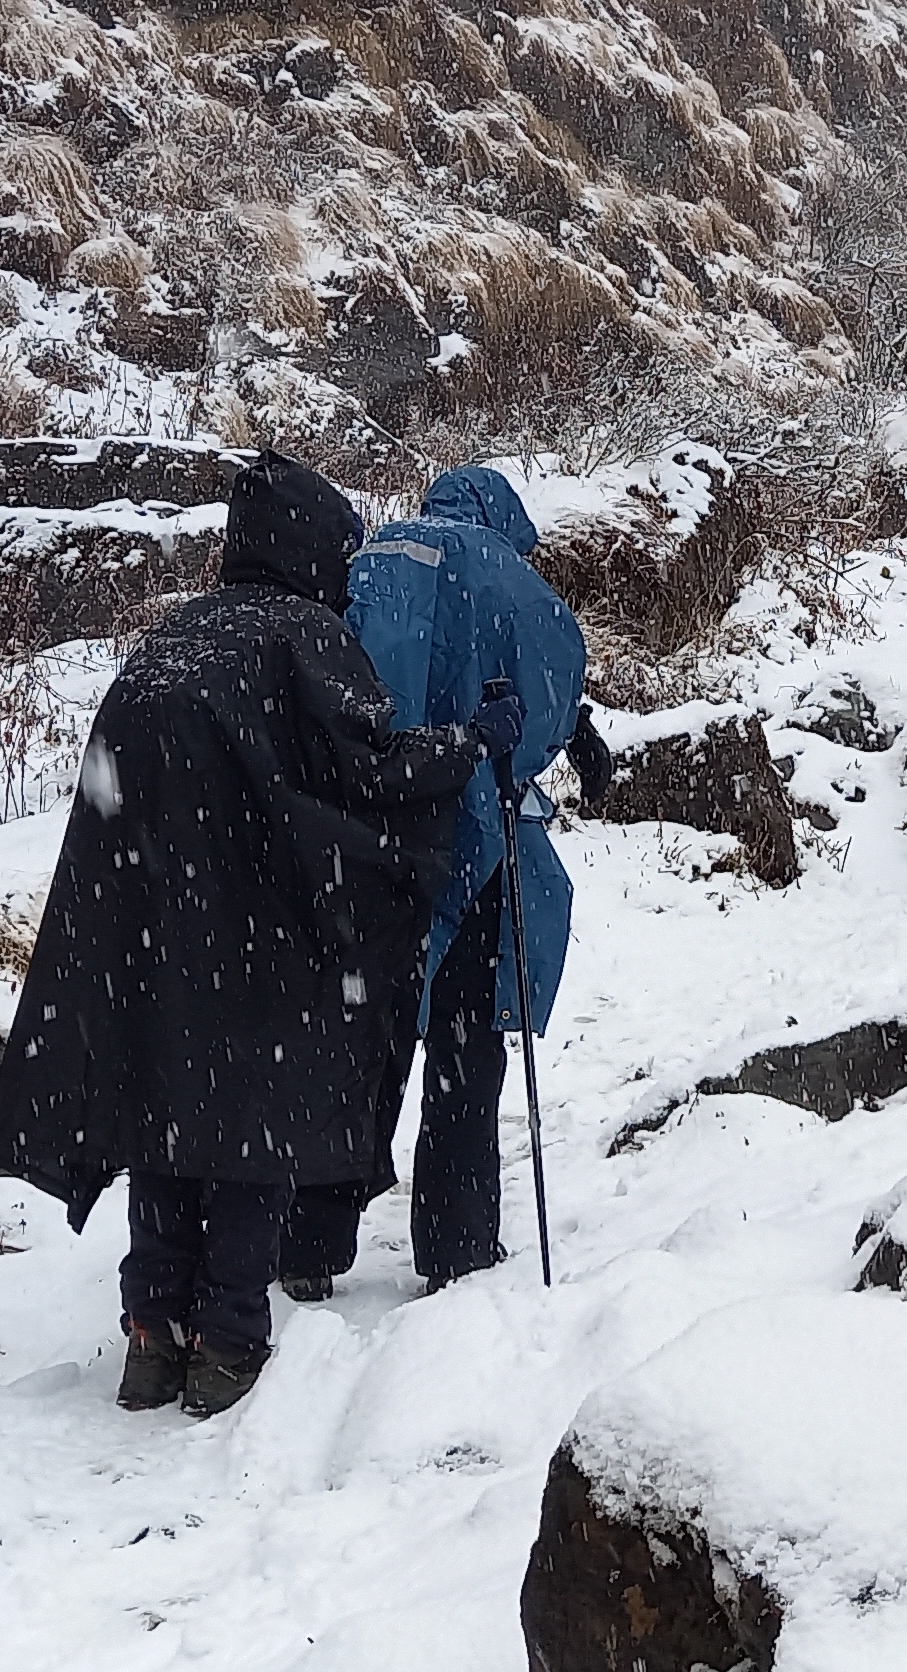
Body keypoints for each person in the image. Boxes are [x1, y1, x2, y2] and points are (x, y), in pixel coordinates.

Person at [0, 454, 527, 1419]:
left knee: (167, 1129)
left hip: (147, 944)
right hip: (262, 946)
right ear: (314, 551)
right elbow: (376, 772)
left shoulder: (169, 642)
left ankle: (151, 1337)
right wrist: (476, 740)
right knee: (253, 1137)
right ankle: (227, 1345)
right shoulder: (302, 638)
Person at [314, 463, 611, 1293]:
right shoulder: (501, 567)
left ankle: (309, 1243)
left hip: (371, 834)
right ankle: (455, 1247)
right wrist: (551, 742)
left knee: (360, 1043)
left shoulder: (370, 561)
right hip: (474, 833)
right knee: (464, 1053)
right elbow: (547, 676)